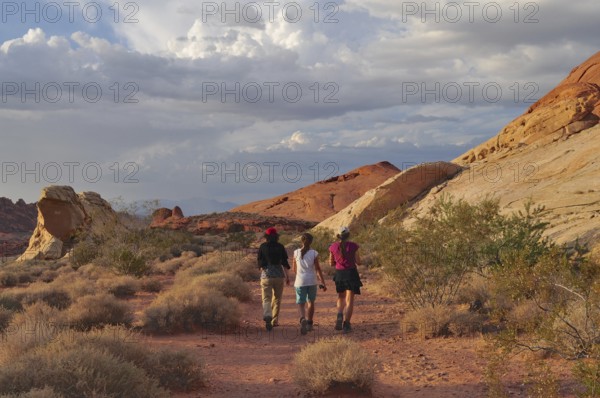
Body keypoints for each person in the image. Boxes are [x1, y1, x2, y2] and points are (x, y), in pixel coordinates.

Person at [329, 226, 363, 333]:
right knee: (350, 300)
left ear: (338, 236)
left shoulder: (333, 247)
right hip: (351, 274)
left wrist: (338, 261)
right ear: (348, 235)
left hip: (339, 274)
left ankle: (339, 314)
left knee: (341, 297)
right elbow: (358, 261)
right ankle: (347, 324)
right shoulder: (353, 246)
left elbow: (331, 263)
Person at [292, 233, 327, 335]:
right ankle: (309, 323)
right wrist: (323, 282)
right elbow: (318, 269)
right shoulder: (314, 253)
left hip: (300, 281)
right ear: (311, 241)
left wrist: (300, 275)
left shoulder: (296, 252)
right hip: (312, 281)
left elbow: (294, 269)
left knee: (301, 304)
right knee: (311, 302)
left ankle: (302, 318)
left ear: (301, 241)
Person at [257, 227, 290, 331]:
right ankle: (274, 320)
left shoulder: (262, 246)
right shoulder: (280, 247)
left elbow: (260, 264)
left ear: (266, 236)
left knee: (266, 298)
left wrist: (263, 272)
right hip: (279, 276)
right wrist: (287, 277)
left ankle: (267, 315)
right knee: (277, 299)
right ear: (276, 237)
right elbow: (285, 263)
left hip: (266, 276)